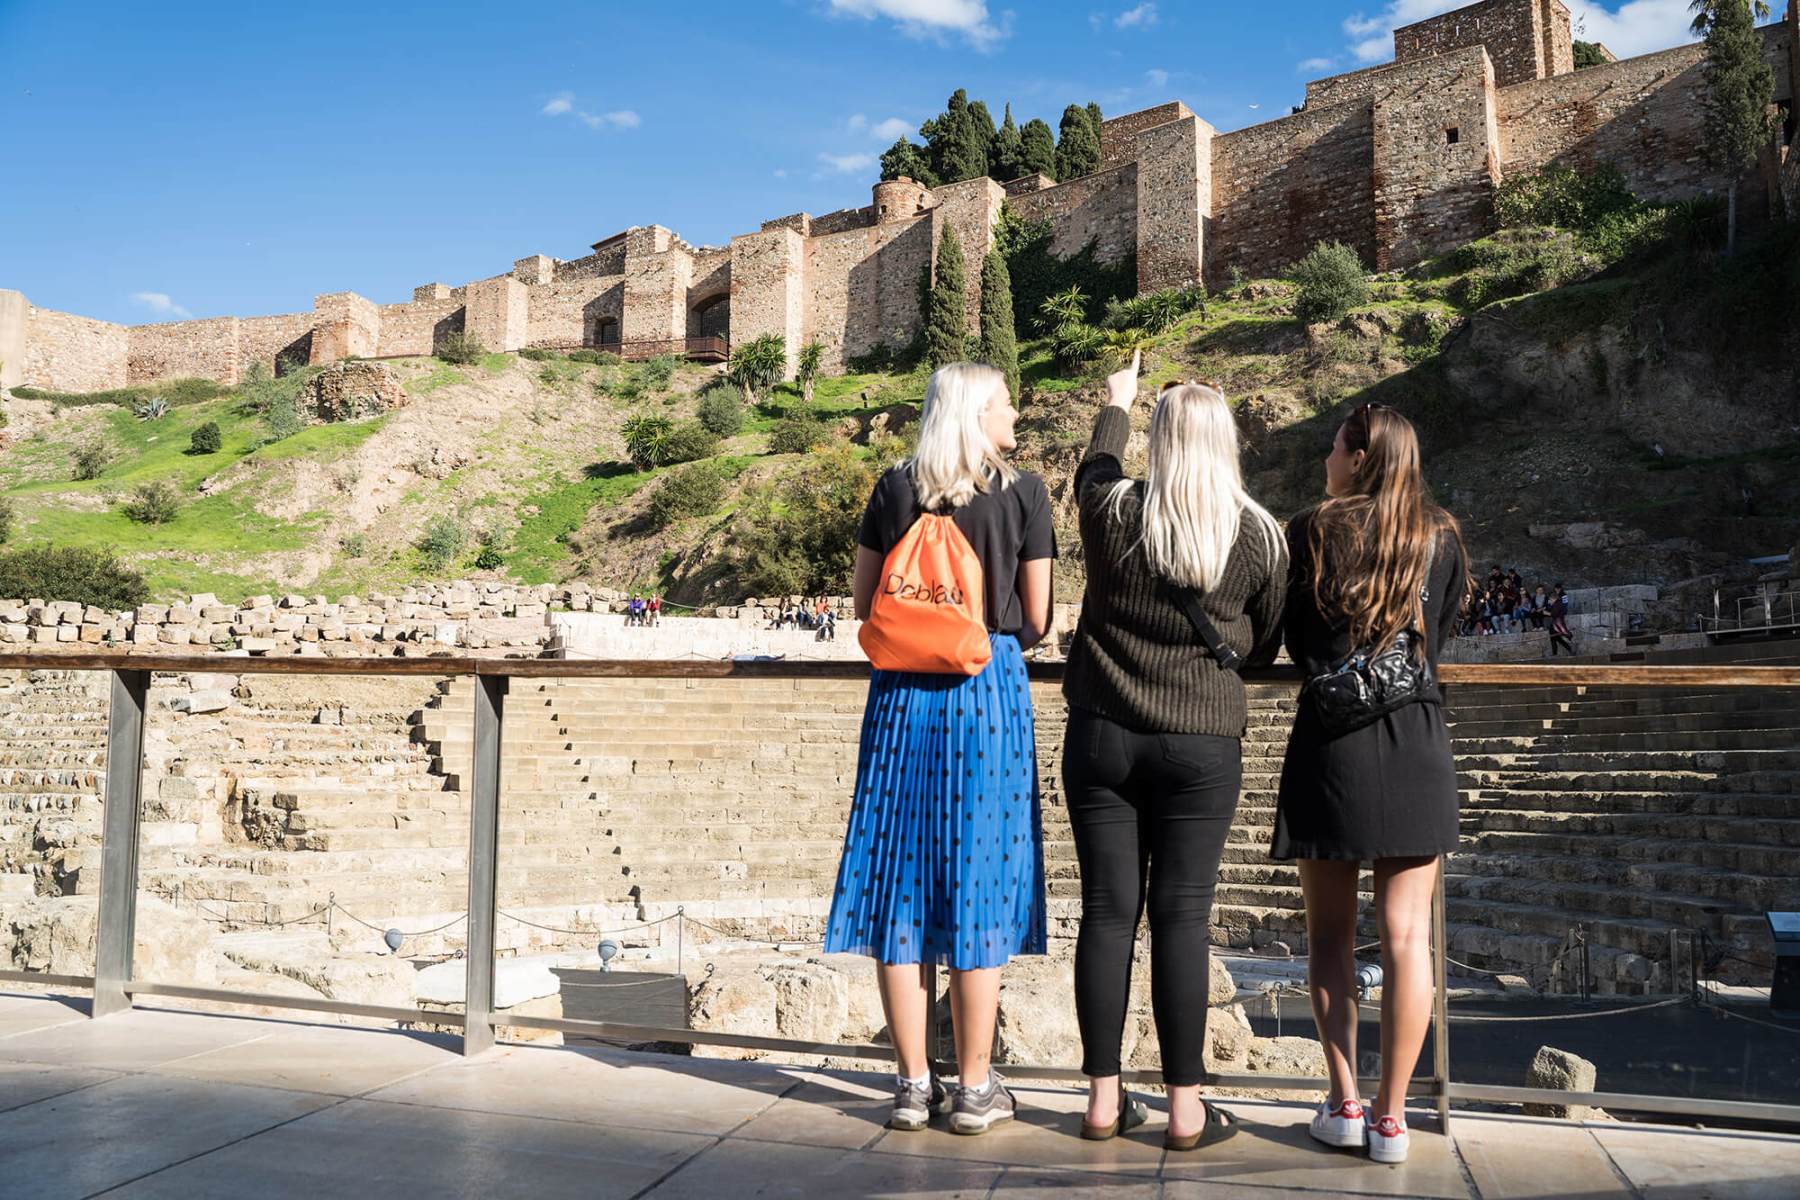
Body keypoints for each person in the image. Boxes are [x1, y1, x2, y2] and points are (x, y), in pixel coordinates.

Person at [823, 361, 1056, 1136]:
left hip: (900, 705)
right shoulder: (1023, 492)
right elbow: (1037, 618)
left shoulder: (892, 488)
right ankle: (976, 1090)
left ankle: (912, 1087)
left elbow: (863, 606)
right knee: (978, 886)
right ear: (975, 413)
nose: (1015, 412)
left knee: (901, 887)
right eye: (1004, 403)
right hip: (985, 696)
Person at [1061, 352, 1286, 1151]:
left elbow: (1092, 470)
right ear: (1226, 444)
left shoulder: (1114, 511)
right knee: (1182, 919)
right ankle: (1187, 1110)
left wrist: (1116, 404)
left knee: (1106, 914)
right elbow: (1262, 647)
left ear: (1156, 442)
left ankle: (1100, 1100)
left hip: (1103, 733)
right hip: (1201, 741)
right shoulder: (1259, 534)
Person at [1273, 402, 1469, 1166]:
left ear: (1358, 458)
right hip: (1416, 738)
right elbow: (1438, 635)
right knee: (1407, 938)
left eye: (1334, 444)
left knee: (1327, 935)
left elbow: (1289, 636)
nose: (1326, 454)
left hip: (1333, 743)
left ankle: (1344, 1101)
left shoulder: (1313, 530)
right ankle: (1393, 1122)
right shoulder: (1440, 535)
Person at [1549, 585, 1576, 656]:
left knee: (1556, 639)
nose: (1550, 601)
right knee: (1556, 639)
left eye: (1550, 599)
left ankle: (1569, 648)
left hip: (1557, 624)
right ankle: (1568, 650)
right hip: (1555, 623)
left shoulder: (1557, 604)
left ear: (1553, 598)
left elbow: (1554, 614)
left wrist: (1547, 613)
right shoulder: (1556, 604)